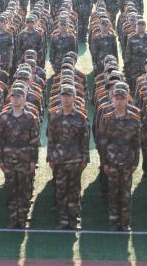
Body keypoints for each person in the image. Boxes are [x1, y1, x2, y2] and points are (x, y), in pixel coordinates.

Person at [0, 87, 39, 229]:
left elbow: (34, 141)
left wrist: (33, 161)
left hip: (25, 159)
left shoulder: (30, 117)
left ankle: (23, 218)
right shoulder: (3, 117)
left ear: (24, 99)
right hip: (9, 159)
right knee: (11, 189)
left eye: (18, 97)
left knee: (24, 189)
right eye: (13, 97)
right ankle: (13, 219)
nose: (16, 99)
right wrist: (0, 160)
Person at [46, 85, 89, 229]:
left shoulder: (81, 117)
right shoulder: (54, 117)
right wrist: (50, 158)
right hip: (59, 160)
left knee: (74, 191)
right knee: (60, 191)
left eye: (69, 96)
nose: (66, 99)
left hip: (75, 160)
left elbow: (85, 141)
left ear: (74, 97)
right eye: (63, 96)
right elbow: (51, 140)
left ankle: (73, 219)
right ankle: (63, 220)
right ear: (60, 97)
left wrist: (85, 159)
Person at [99, 84, 140, 231]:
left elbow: (136, 143)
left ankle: (125, 222)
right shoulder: (107, 118)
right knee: (113, 193)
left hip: (128, 162)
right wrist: (104, 162)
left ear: (127, 99)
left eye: (122, 99)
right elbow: (103, 142)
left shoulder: (134, 119)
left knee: (126, 194)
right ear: (112, 100)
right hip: (112, 162)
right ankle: (114, 221)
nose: (119, 102)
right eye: (117, 99)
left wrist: (135, 162)